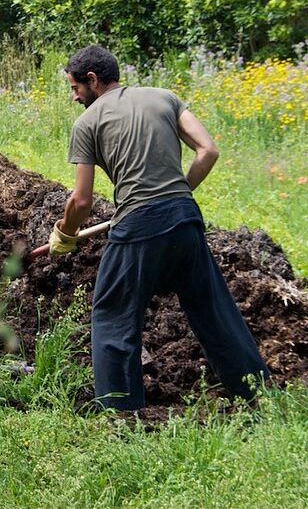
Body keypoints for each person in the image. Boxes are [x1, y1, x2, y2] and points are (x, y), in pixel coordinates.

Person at [49, 44, 270, 411]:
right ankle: (256, 392)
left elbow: (82, 201)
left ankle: (120, 412)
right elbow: (208, 151)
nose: (74, 97)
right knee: (214, 311)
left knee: (112, 317)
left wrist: (65, 234)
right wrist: (177, 192)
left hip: (137, 225)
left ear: (92, 80)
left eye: (75, 88)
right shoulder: (165, 97)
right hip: (185, 217)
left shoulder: (87, 123)